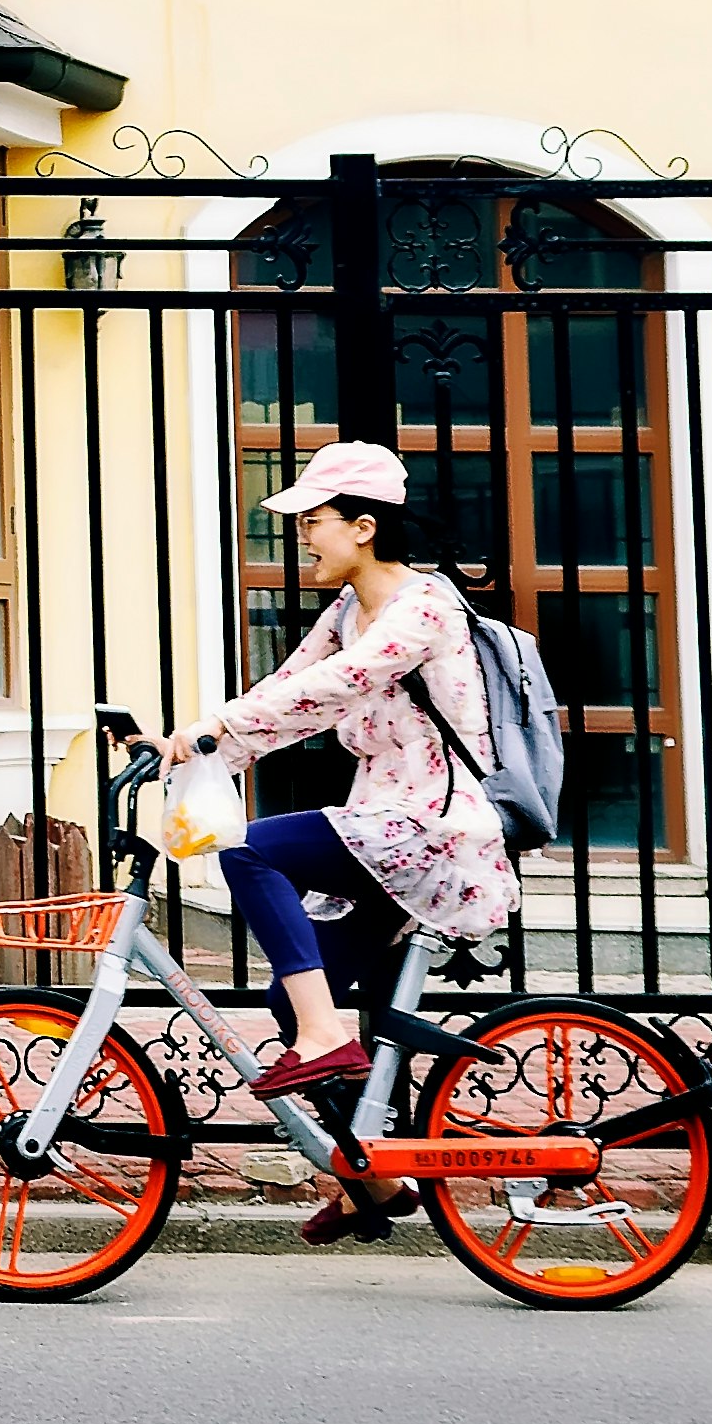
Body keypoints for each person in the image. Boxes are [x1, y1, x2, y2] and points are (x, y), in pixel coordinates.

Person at [145, 439, 518, 1155]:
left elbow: (336, 685)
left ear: (363, 526)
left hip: (430, 827)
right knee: (290, 993)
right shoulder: (351, 606)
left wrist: (218, 726)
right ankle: (370, 1177)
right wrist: (196, 744)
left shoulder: (425, 608)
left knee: (250, 850)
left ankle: (323, 1037)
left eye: (313, 519)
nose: (301, 534)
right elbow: (288, 686)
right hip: (383, 834)